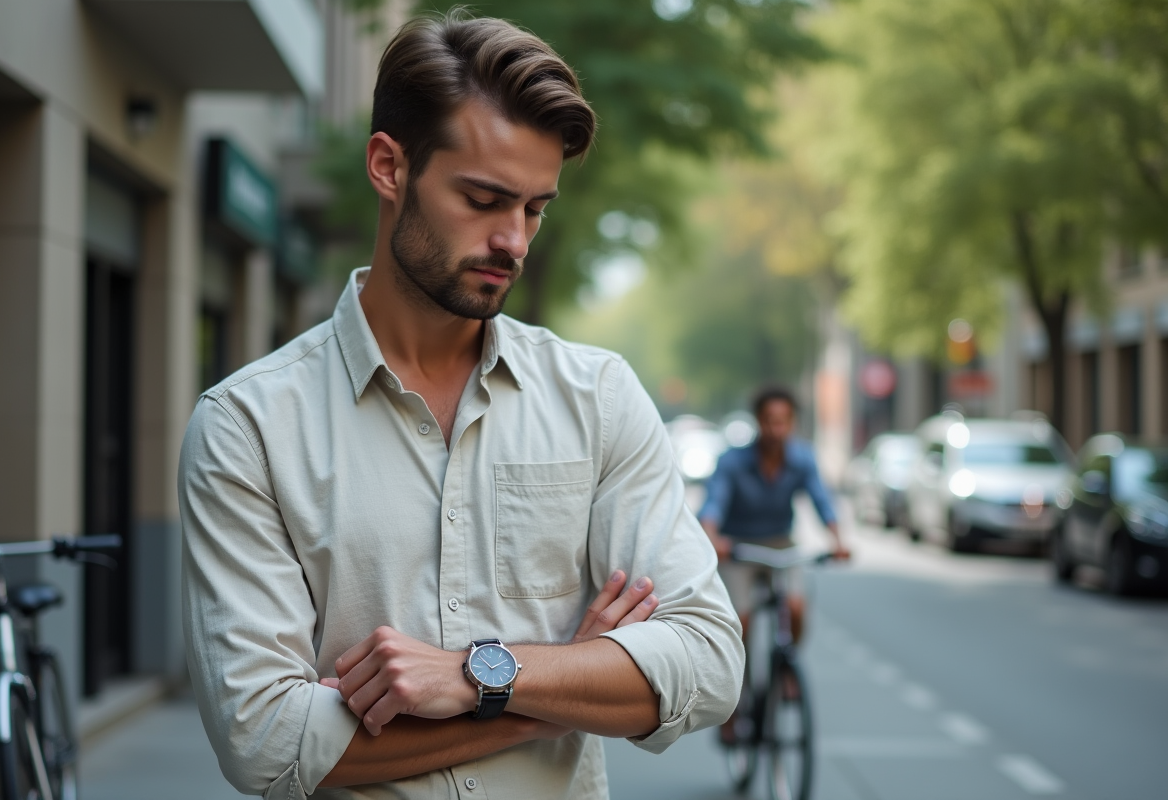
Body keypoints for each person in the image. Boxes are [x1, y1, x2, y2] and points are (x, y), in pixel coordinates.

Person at [178, 12, 742, 800]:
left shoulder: (599, 397)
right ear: (388, 166)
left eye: (535, 209)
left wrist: (473, 674)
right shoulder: (248, 429)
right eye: (483, 198)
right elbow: (265, 740)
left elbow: (709, 662)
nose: (514, 239)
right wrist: (545, 699)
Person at [698, 386, 848, 740]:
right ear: (758, 422)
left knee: (795, 608)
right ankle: (733, 700)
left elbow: (822, 500)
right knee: (741, 622)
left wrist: (838, 540)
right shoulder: (733, 461)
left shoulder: (802, 459)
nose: (775, 429)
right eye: (768, 421)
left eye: (782, 422)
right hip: (738, 547)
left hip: (781, 545)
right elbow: (714, 504)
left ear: (792, 424)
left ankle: (786, 670)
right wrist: (712, 536)